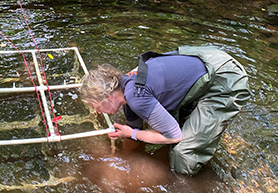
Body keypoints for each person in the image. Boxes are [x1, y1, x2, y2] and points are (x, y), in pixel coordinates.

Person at [80, 46, 250, 176]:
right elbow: (134, 128)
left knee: (183, 155)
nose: (99, 112)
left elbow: (173, 136)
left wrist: (132, 133)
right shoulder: (126, 88)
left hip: (225, 77)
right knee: (172, 124)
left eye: (96, 107)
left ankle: (214, 189)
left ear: (108, 97)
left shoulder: (137, 98)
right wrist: (122, 158)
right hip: (206, 59)